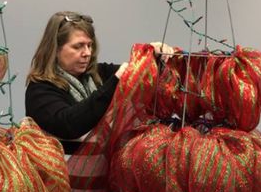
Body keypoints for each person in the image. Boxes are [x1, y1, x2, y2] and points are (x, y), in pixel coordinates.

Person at [25, 11, 173, 147]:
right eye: (78, 47)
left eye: (90, 46)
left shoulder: (97, 74)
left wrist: (153, 57)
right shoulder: (39, 90)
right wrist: (115, 81)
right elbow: (69, 125)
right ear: (55, 49)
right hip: (61, 174)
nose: (87, 53)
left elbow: (141, 74)